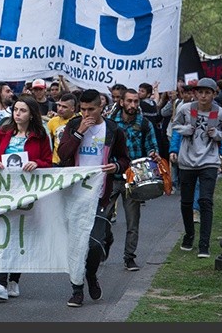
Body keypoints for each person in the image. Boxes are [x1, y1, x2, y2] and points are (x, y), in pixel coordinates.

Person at [57, 88, 130, 308]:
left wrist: (115, 167)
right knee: (76, 244)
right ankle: (76, 290)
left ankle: (90, 274)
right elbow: (63, 154)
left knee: (95, 244)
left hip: (99, 195)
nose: (87, 114)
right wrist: (78, 132)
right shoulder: (73, 125)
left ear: (102, 107)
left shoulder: (113, 130)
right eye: (83, 109)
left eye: (91, 109)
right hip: (74, 194)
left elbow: (125, 159)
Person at [0, 95, 53, 300]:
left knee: (21, 236)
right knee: (3, 235)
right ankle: (0, 283)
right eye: (15, 110)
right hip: (3, 191)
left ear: (31, 114)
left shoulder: (40, 136)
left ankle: (13, 280)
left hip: (27, 193)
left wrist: (37, 164)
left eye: (22, 111)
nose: (18, 114)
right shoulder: (4, 132)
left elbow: (48, 162)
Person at [170, 77, 222, 258]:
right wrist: (185, 131)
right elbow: (175, 126)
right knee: (186, 202)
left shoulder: (221, 113)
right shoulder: (186, 109)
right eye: (200, 92)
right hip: (187, 161)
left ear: (214, 94)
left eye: (208, 92)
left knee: (206, 201)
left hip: (209, 161)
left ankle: (204, 243)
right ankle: (189, 234)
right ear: (195, 93)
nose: (203, 96)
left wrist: (217, 135)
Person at [107, 88, 159, 272]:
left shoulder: (144, 124)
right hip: (112, 177)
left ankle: (129, 257)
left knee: (132, 221)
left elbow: (152, 146)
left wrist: (154, 155)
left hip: (134, 179)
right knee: (103, 217)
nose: (133, 105)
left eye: (136, 101)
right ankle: (105, 242)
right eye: (129, 101)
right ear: (121, 102)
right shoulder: (111, 123)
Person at [46, 92, 79, 165]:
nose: (60, 109)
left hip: (72, 163)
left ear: (72, 108)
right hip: (55, 163)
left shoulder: (79, 121)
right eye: (59, 105)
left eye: (64, 107)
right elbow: (45, 142)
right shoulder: (52, 121)